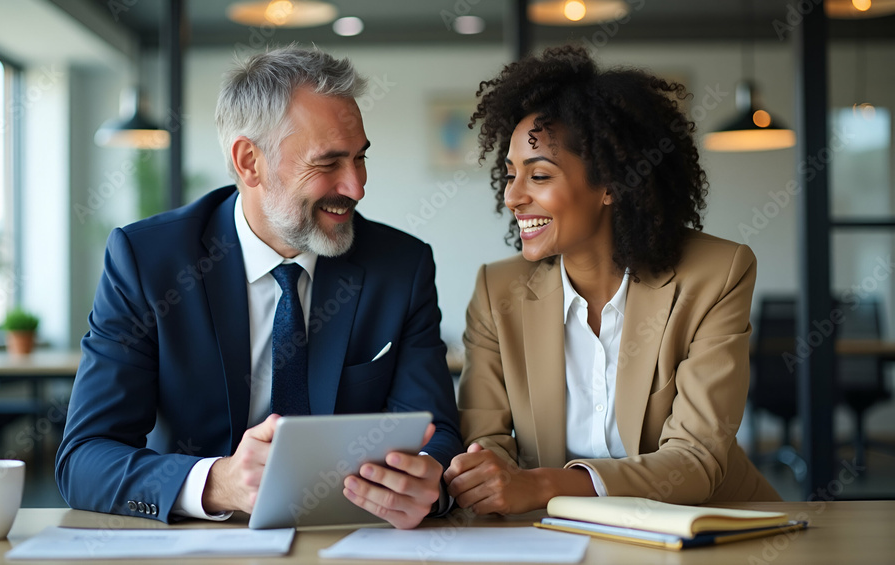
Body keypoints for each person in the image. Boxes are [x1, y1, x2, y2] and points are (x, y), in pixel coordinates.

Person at [56, 46, 463, 529]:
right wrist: (217, 483)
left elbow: (437, 432)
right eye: (328, 163)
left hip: (352, 537)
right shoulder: (148, 262)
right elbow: (84, 458)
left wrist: (428, 483)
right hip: (198, 545)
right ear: (250, 161)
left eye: (360, 158)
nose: (356, 187)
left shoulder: (401, 266)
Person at [443, 45, 780, 515]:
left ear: (610, 184)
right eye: (511, 174)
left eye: (538, 176)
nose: (512, 196)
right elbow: (486, 440)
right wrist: (490, 474)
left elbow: (695, 459)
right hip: (556, 533)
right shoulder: (496, 291)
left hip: (708, 527)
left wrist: (541, 485)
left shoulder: (716, 274)